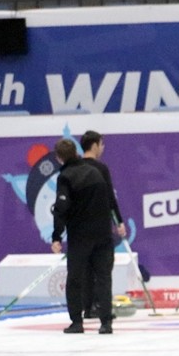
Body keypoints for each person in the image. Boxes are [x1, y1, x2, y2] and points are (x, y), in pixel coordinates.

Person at [50, 137, 116, 335]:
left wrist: (56, 237)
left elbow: (61, 208)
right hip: (103, 234)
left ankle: (77, 322)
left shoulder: (66, 177)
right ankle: (106, 322)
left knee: (75, 279)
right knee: (103, 278)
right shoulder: (95, 172)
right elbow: (108, 201)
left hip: (81, 236)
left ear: (59, 158)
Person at [78, 130, 127, 320]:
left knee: (86, 269)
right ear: (95, 145)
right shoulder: (101, 168)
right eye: (102, 144)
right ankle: (100, 306)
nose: (103, 148)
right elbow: (110, 198)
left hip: (81, 228)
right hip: (100, 227)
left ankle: (87, 307)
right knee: (103, 269)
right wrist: (119, 222)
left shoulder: (74, 168)